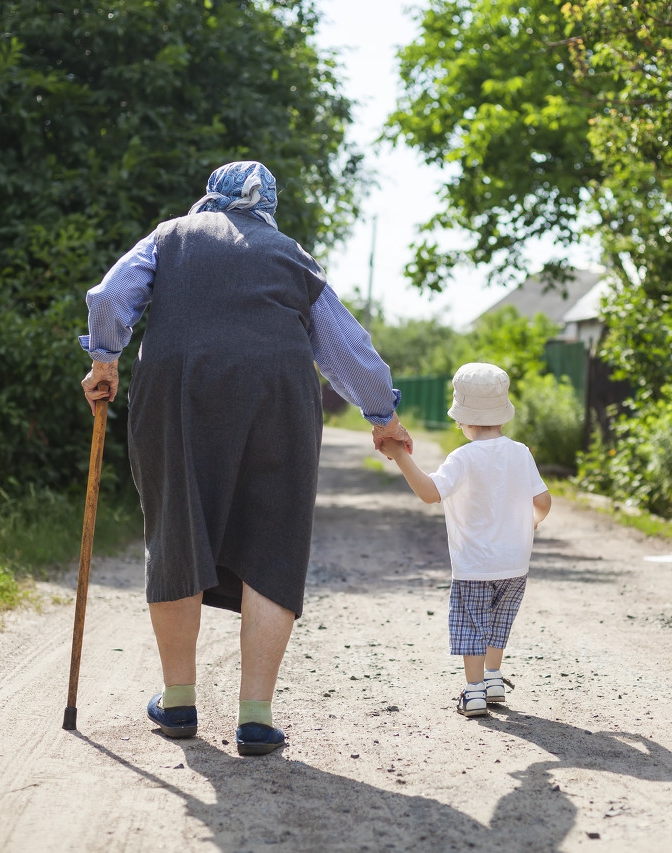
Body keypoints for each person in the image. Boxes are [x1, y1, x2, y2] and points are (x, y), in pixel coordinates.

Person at [78, 161, 412, 755]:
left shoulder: (170, 236)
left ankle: (178, 703)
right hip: (277, 398)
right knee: (273, 538)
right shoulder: (290, 254)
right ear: (268, 210)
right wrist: (382, 413)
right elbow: (344, 343)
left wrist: (105, 358)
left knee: (176, 527)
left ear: (209, 199)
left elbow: (112, 295)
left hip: (178, 388)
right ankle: (255, 718)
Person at [382, 362, 551, 717]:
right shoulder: (520, 452)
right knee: (498, 622)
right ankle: (493, 679)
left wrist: (399, 455)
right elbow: (543, 501)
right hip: (515, 564)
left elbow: (431, 493)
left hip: (474, 565)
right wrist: (531, 523)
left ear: (463, 420)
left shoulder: (461, 458)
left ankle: (473, 692)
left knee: (472, 624)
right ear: (502, 414)